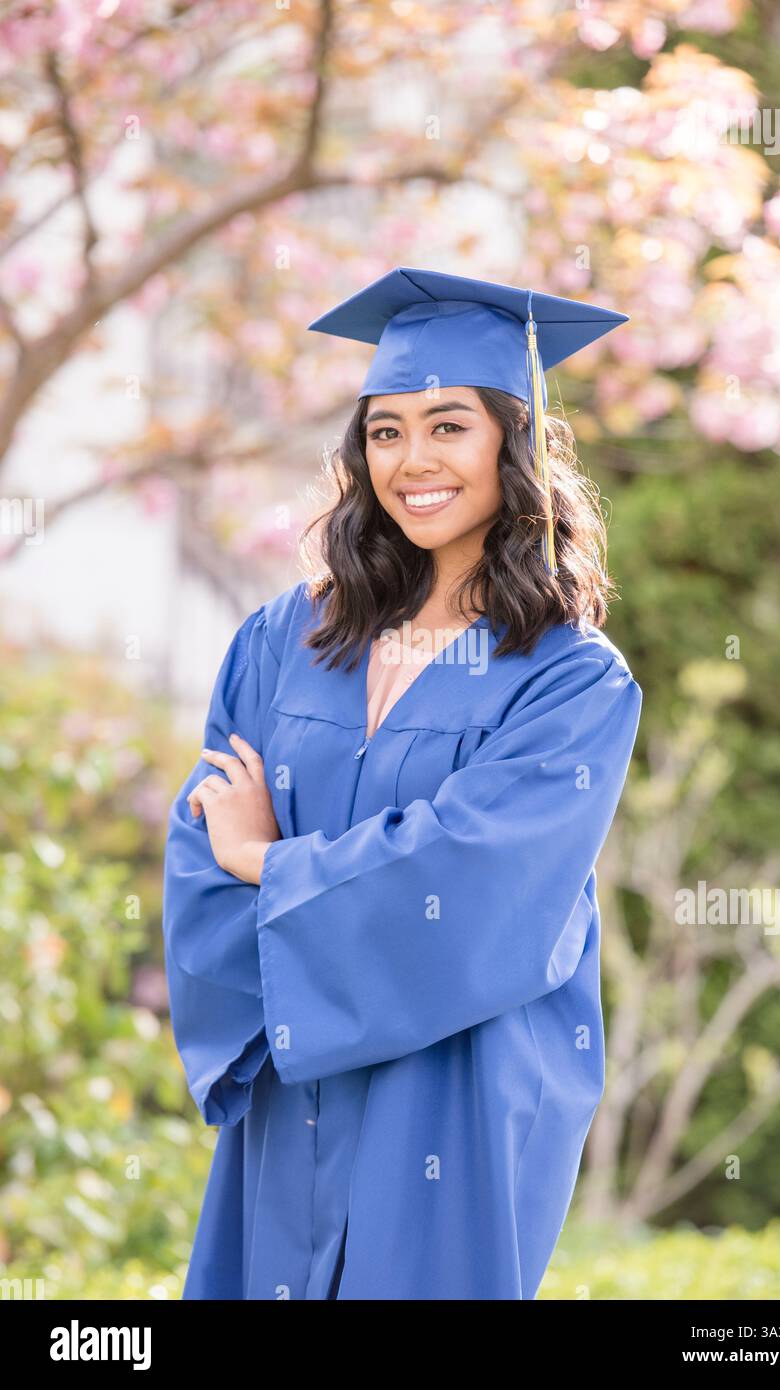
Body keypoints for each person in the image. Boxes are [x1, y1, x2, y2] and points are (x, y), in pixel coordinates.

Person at [162, 266, 642, 1300]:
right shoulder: (287, 637)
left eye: (448, 426)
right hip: (298, 1085)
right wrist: (243, 879)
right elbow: (201, 835)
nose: (412, 461)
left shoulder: (571, 680)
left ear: (512, 445)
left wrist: (270, 862)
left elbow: (474, 876)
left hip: (457, 1090)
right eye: (385, 431)